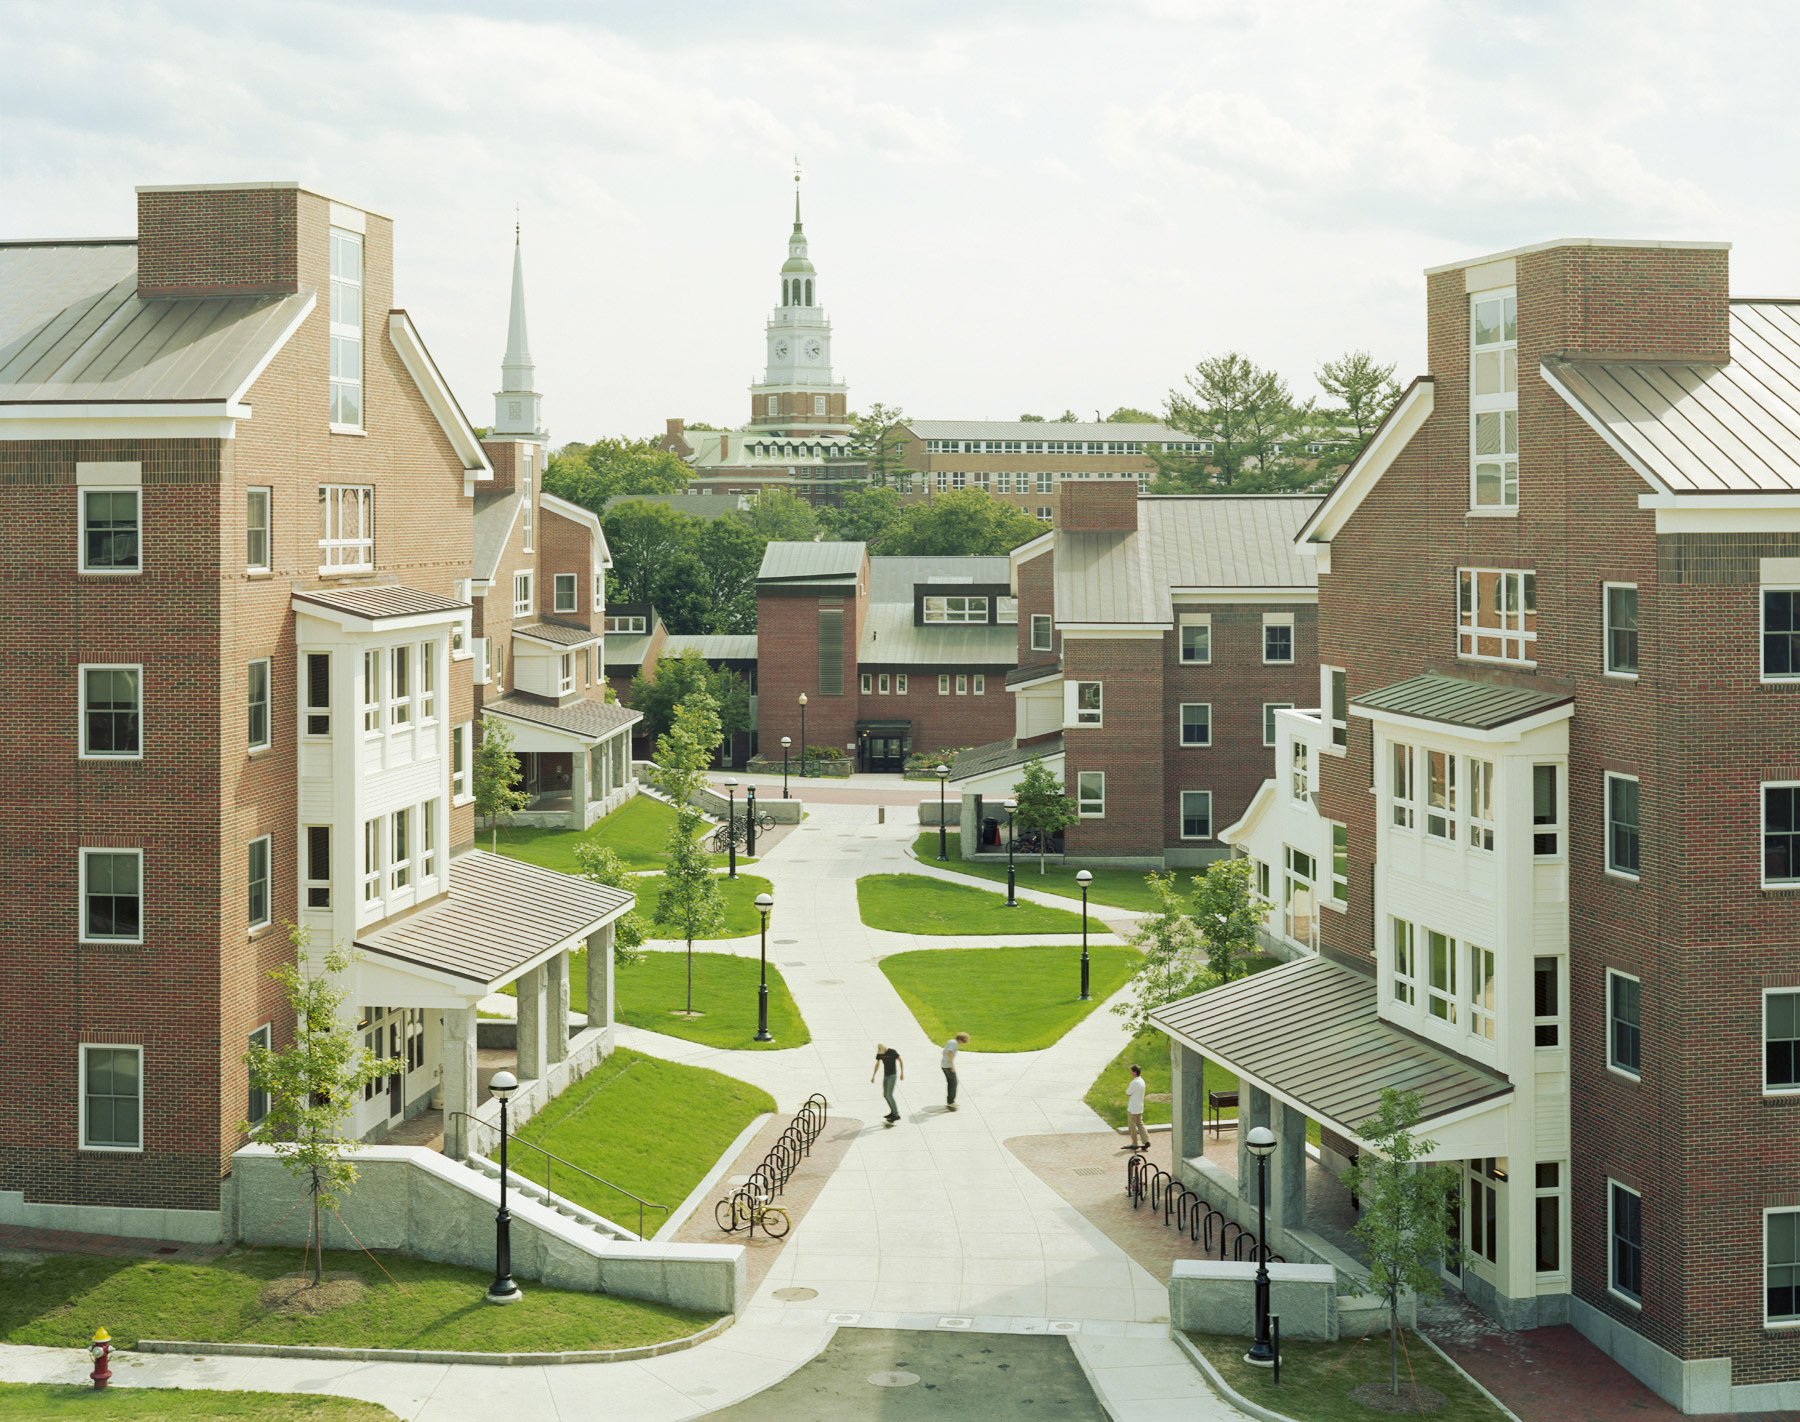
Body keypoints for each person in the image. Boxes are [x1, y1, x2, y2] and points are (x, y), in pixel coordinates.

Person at [872, 1043, 904, 1124]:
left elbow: (900, 1061)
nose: (881, 1054)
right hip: (886, 1076)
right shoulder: (880, 1054)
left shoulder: (892, 1052)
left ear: (884, 1049)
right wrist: (873, 1075)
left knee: (889, 1095)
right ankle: (892, 1112)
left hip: (892, 1076)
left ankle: (896, 1115)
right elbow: (877, 1064)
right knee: (885, 1095)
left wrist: (902, 1073)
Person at [1123, 1063, 1149, 1151]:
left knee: (1132, 1126)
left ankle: (1134, 1143)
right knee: (1140, 1124)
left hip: (1133, 1108)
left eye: (1131, 1071)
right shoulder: (1142, 1081)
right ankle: (1146, 1141)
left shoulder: (1134, 1082)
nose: (1130, 1073)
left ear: (1134, 1072)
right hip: (1140, 1107)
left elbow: (1127, 1092)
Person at [941, 1032, 969, 1110]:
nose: (962, 1043)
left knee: (951, 1083)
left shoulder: (951, 1041)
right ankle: (951, 1102)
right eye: (963, 1041)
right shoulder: (954, 1043)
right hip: (948, 1066)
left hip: (944, 1065)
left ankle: (950, 1102)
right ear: (961, 1039)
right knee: (954, 1084)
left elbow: (944, 1052)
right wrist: (952, 1065)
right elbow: (949, 1053)